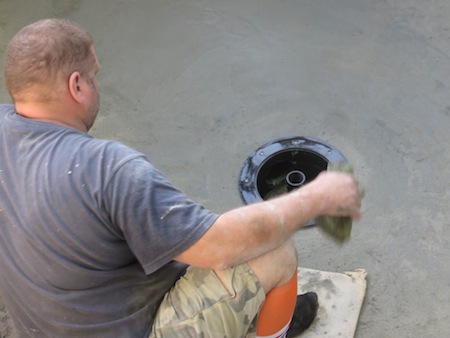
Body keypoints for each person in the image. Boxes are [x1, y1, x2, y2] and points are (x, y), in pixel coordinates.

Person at [0, 19, 362, 338]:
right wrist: (315, 198)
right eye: (94, 76)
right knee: (273, 248)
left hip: (47, 325)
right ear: (76, 86)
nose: (98, 86)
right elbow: (218, 247)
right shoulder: (108, 168)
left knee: (172, 230)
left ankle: (256, 310)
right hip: (133, 329)